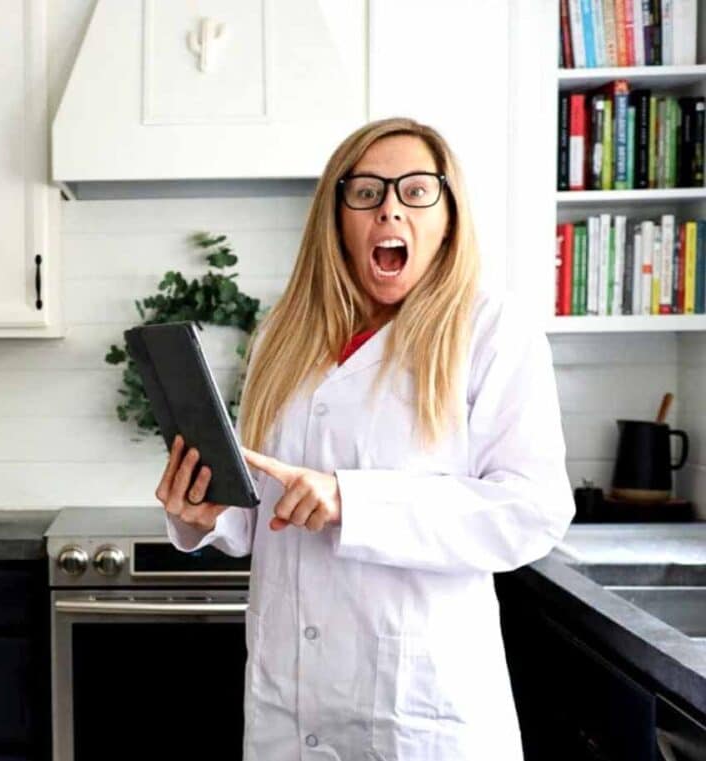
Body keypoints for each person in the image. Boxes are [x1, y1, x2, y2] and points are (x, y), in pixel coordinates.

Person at [154, 116, 574, 761]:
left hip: (419, 715)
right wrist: (204, 513)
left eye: (415, 191)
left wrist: (354, 501)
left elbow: (532, 512)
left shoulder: (491, 330)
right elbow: (260, 511)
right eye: (367, 192)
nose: (391, 211)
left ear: (448, 214)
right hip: (288, 706)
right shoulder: (283, 333)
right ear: (339, 215)